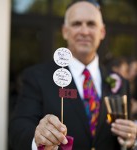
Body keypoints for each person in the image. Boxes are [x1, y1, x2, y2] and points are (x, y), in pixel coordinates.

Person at [9, 1, 137, 150]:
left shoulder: (120, 82)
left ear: (102, 32)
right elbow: (18, 127)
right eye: (77, 24)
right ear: (65, 31)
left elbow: (124, 138)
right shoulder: (36, 77)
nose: (84, 31)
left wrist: (131, 141)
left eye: (91, 24)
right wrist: (37, 138)